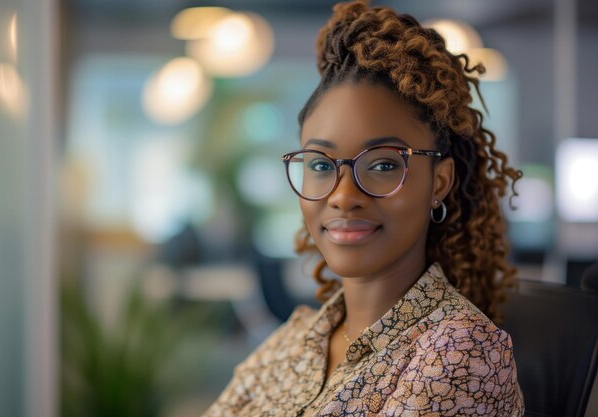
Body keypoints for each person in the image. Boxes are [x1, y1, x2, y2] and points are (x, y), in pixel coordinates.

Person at [202, 1, 524, 415]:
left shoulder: (459, 353)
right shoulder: (297, 338)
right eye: (320, 164)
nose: (342, 195)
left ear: (438, 183)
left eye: (384, 164)